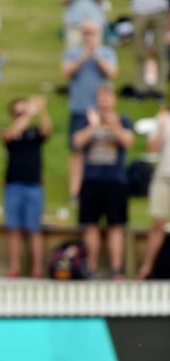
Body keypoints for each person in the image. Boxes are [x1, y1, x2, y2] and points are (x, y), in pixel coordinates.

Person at [72, 83, 134, 279]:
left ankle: (117, 269)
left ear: (114, 99)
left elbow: (128, 142)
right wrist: (94, 125)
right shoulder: (87, 120)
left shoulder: (123, 120)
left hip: (115, 180)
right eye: (101, 96)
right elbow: (77, 143)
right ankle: (90, 267)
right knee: (90, 224)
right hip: (91, 179)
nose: (105, 100)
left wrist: (113, 125)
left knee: (116, 225)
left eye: (108, 96)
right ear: (96, 98)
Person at [62, 18, 118, 203]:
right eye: (85, 32)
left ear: (99, 33)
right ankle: (74, 192)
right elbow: (66, 72)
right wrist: (84, 55)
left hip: (102, 111)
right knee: (77, 150)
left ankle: (101, 190)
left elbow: (111, 73)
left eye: (92, 32)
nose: (88, 36)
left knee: (103, 150)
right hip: (79, 109)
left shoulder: (107, 53)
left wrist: (96, 54)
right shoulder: (73, 53)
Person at [1, 96, 52, 278]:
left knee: (34, 229)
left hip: (33, 185)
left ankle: (37, 269)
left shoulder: (34, 132)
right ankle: (14, 267)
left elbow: (47, 129)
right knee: (14, 228)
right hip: (13, 184)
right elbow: (10, 135)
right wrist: (29, 114)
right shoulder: (9, 130)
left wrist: (42, 110)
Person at [139, 107, 170, 279]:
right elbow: (151, 148)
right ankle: (146, 268)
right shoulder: (164, 116)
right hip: (164, 176)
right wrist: (160, 126)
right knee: (158, 222)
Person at [130, 0, 169, 99]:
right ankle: (140, 88)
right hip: (139, 11)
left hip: (160, 10)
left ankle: (159, 89)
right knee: (139, 53)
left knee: (161, 53)